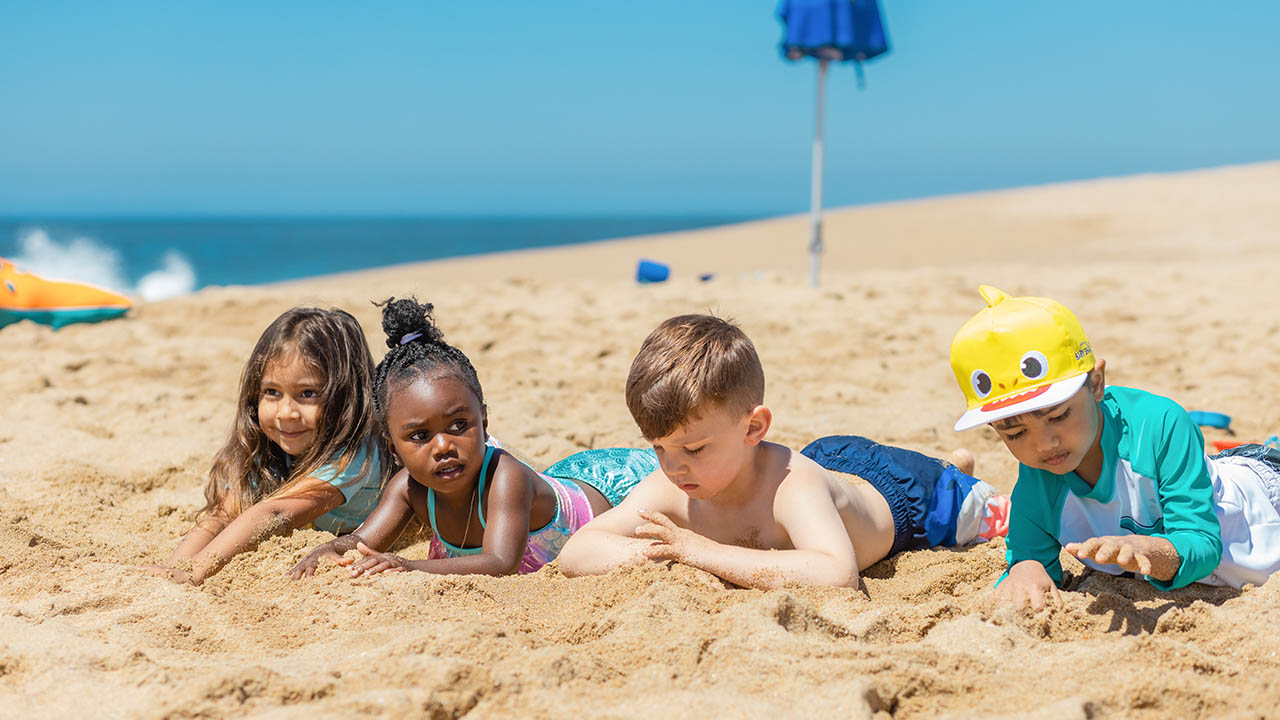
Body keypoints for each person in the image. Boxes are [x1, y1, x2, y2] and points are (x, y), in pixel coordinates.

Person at [557, 313, 1008, 590]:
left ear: (753, 427)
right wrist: (663, 557)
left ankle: (954, 473)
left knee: (984, 513)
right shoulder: (670, 484)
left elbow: (837, 575)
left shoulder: (794, 488)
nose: (674, 466)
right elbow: (578, 551)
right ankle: (953, 463)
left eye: (693, 448)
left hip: (904, 496)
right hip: (826, 466)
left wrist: (698, 552)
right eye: (658, 449)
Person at [949, 285, 1280, 610]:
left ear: (1095, 384)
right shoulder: (1038, 477)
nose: (1044, 444)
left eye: (1059, 415)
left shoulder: (1160, 424)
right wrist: (1026, 570)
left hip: (1263, 497)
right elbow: (1028, 558)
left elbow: (1204, 545)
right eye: (1016, 433)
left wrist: (1151, 551)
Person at [290, 297, 655, 579]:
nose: (444, 446)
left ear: (484, 419)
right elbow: (362, 542)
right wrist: (329, 549)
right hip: (564, 477)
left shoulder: (504, 477)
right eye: (419, 435)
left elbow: (501, 562)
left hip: (614, 486)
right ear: (392, 447)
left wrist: (409, 566)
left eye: (458, 425)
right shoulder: (407, 488)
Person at [150, 307, 387, 585]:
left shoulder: (356, 454)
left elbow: (277, 512)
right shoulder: (268, 449)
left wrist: (195, 573)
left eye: (308, 394)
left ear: (346, 399)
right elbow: (221, 515)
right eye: (272, 392)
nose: (286, 412)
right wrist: (174, 570)